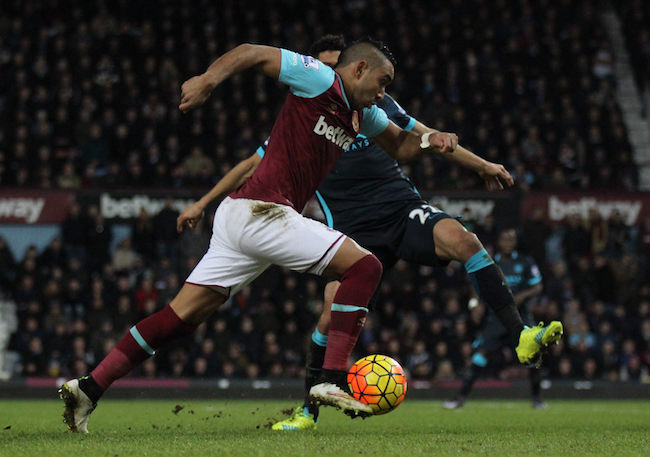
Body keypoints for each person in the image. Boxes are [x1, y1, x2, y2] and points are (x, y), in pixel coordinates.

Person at [59, 37, 462, 433]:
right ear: (359, 69)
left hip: (243, 216)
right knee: (365, 267)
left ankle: (89, 388)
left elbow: (403, 147)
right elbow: (250, 53)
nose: (383, 92)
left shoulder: (363, 116)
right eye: (383, 81)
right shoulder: (320, 79)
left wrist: (433, 140)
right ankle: (332, 377)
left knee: (180, 318)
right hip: (263, 212)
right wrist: (207, 79)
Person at [176, 36, 564, 431]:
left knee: (466, 241)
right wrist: (202, 204)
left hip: (399, 208)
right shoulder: (305, 114)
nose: (331, 77)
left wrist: (482, 165)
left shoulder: (377, 107)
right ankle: (308, 411)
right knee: (328, 318)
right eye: (325, 68)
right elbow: (248, 165)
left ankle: (522, 334)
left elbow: (423, 136)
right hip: (350, 227)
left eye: (336, 67)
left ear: (354, 67)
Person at [443, 228, 547, 410]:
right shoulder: (489, 262)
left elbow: (537, 286)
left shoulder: (525, 262)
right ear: (499, 242)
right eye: (504, 239)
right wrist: (475, 303)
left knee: (533, 354)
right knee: (479, 356)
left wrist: (522, 296)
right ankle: (460, 398)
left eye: (511, 239)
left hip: (520, 317)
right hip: (496, 318)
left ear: (515, 242)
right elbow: (477, 285)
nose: (508, 243)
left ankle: (537, 399)